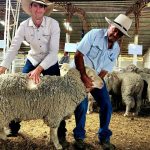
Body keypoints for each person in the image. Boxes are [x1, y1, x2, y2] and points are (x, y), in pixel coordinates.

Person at [0, 0, 68, 148]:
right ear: (30, 8)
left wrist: (39, 70)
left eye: (41, 6)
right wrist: (2, 67)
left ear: (45, 9)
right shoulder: (23, 26)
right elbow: (13, 48)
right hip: (32, 59)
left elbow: (53, 52)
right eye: (35, 5)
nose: (38, 9)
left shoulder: (53, 24)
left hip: (50, 61)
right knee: (19, 90)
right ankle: (13, 127)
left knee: (58, 98)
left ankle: (60, 133)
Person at [73, 14, 132, 150]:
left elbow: (105, 70)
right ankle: (79, 137)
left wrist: (93, 84)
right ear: (110, 25)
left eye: (120, 33)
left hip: (96, 78)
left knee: (106, 104)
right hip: (80, 73)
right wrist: (83, 77)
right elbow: (78, 55)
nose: (116, 33)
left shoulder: (116, 49)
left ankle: (104, 137)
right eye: (115, 29)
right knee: (82, 105)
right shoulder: (94, 35)